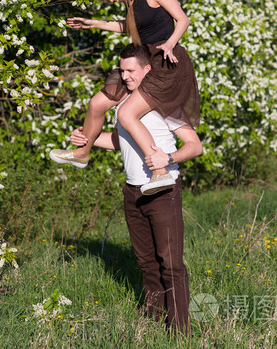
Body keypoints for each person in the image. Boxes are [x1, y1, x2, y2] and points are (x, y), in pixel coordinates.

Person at [69, 44, 202, 335]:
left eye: (131, 70)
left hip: (163, 191)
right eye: (122, 70)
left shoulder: (167, 104)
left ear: (147, 70)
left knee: (170, 263)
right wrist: (86, 140)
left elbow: (195, 146)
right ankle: (154, 323)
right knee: (146, 262)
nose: (124, 76)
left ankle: (181, 331)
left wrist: (168, 158)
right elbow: (119, 141)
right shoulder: (124, 107)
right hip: (132, 191)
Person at [49, 0, 200, 195]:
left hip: (165, 62)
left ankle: (160, 171)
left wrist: (169, 43)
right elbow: (127, 27)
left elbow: (183, 20)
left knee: (127, 114)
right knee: (97, 103)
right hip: (143, 59)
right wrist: (94, 23)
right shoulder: (130, 3)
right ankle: (82, 153)